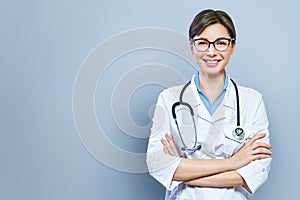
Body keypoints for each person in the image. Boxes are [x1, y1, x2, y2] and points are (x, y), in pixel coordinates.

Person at [146, 9, 272, 200]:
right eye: (203, 43)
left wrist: (182, 170)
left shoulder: (252, 101)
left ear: (233, 46)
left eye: (220, 43)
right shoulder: (169, 98)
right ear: (192, 47)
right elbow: (157, 164)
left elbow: (257, 171)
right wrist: (233, 162)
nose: (211, 52)